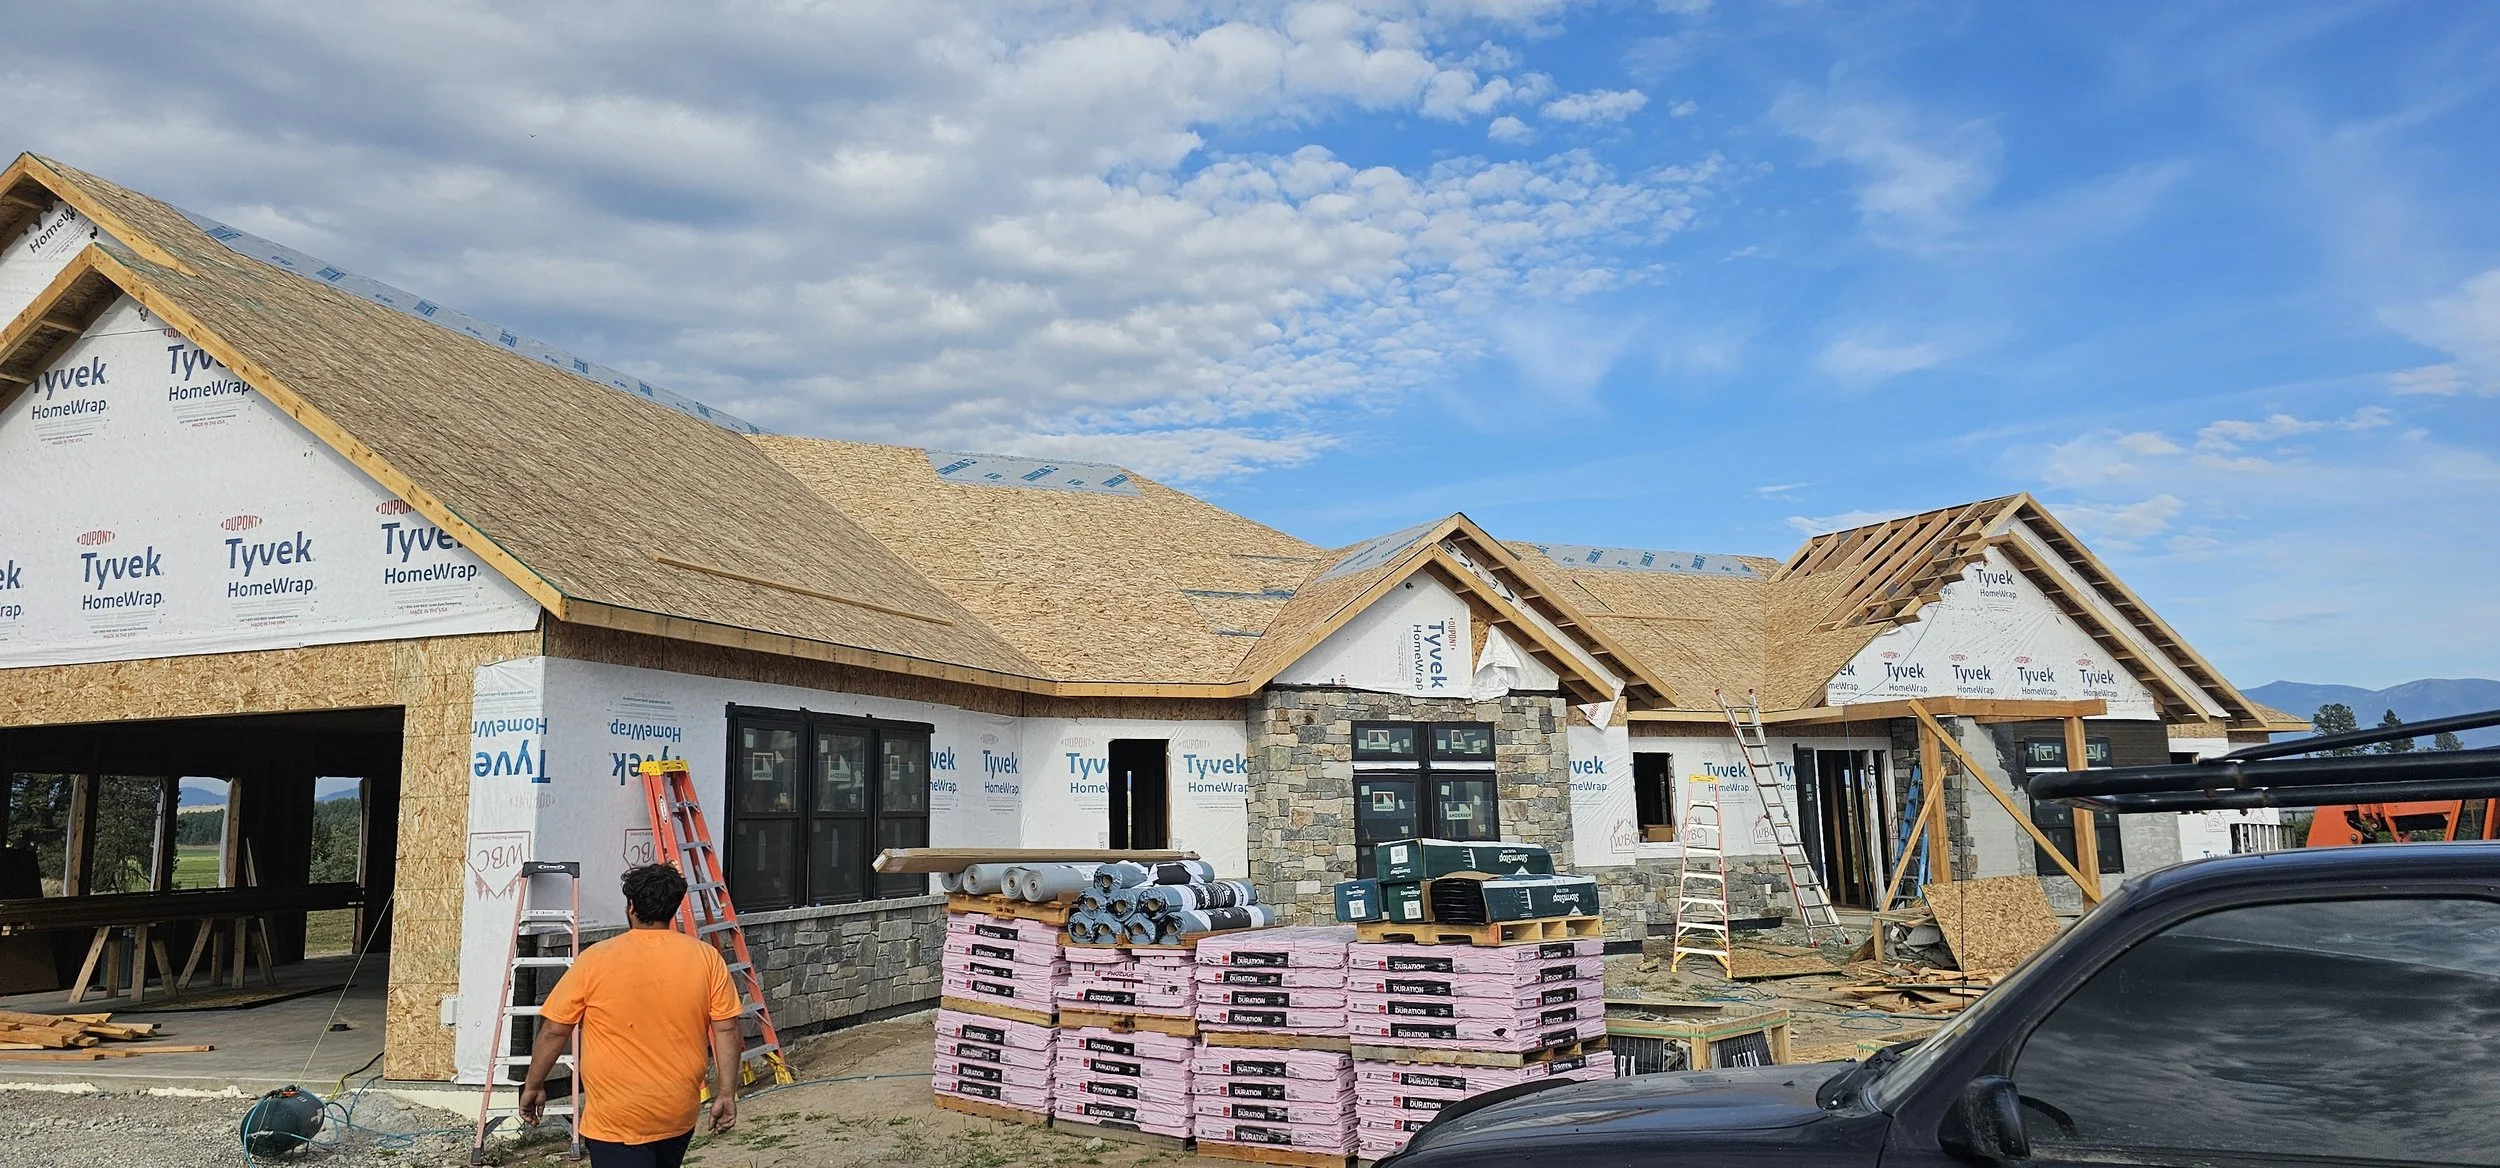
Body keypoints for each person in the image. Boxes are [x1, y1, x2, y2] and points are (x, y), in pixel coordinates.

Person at [518, 863, 743, 1167]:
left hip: (616, 1118)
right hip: (677, 1111)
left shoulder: (596, 959)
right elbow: (727, 1029)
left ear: (632, 906)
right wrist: (726, 1093)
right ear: (673, 908)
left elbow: (554, 1031)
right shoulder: (706, 958)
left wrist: (533, 1085)